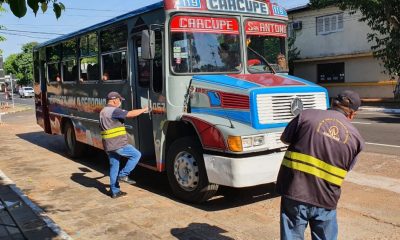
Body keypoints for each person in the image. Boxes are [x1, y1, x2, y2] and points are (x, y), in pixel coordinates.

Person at [275, 90, 365, 240]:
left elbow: (285, 139)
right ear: (351, 114)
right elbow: (346, 167)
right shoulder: (356, 140)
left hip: (295, 192)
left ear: (331, 103)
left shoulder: (306, 116)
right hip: (326, 199)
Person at [100, 91, 148, 199]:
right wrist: (144, 109)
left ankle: (115, 191)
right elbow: (130, 114)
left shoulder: (103, 111)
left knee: (114, 166)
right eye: (119, 100)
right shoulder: (114, 110)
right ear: (114, 100)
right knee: (136, 155)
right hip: (118, 144)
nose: (120, 102)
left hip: (108, 145)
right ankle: (123, 175)